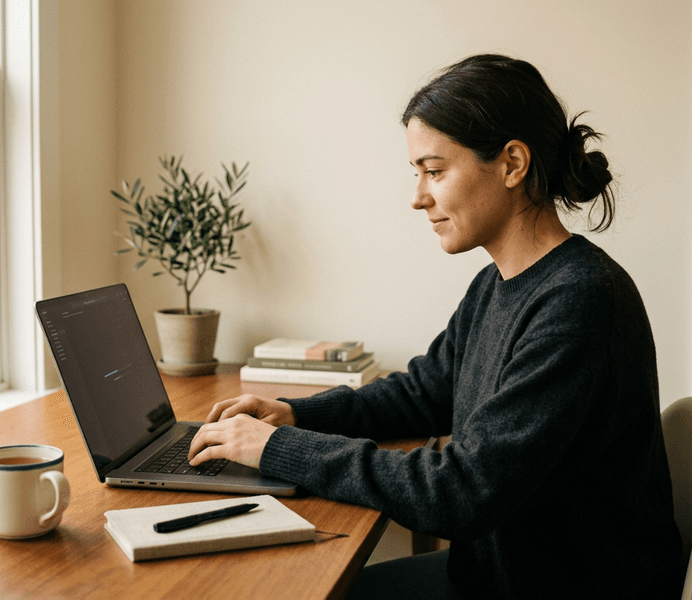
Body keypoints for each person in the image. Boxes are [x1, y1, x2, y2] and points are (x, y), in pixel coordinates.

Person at [187, 54, 682, 599]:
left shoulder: (581, 302)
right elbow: (425, 391)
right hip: (492, 577)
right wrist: (297, 413)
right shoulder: (498, 284)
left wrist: (280, 447)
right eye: (417, 173)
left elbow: (462, 492)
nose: (418, 196)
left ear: (512, 163)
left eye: (435, 170)